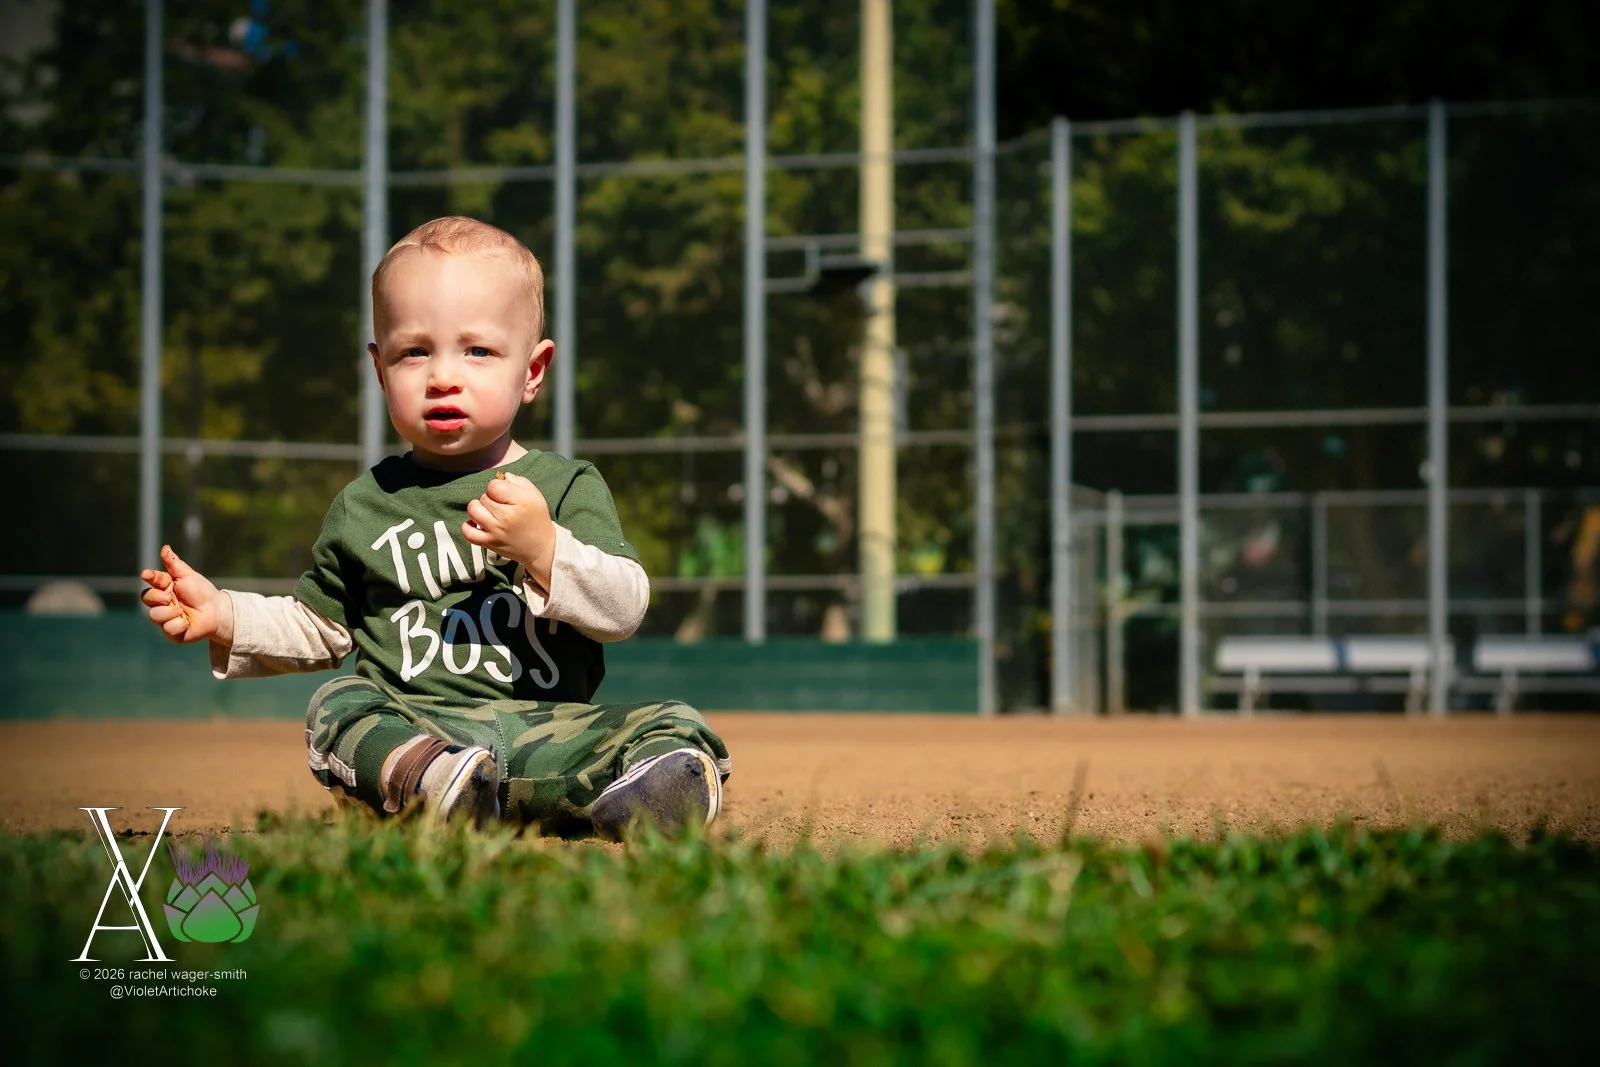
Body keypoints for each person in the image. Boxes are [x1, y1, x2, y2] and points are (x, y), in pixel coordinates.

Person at [138, 216, 731, 838]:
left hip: (552, 732)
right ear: (379, 369)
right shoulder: (365, 504)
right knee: (336, 707)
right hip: (422, 729)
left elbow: (625, 607)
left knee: (673, 723)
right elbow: (321, 629)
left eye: (478, 350)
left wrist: (544, 548)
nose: (443, 375)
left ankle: (645, 795)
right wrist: (226, 616)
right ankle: (435, 786)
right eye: (414, 351)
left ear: (532, 371)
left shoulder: (563, 486)